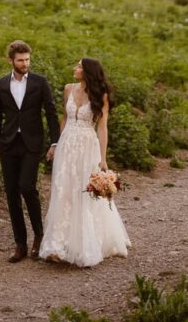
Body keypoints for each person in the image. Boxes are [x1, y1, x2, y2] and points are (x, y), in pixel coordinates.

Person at [39, 57, 131, 267]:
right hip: (67, 145)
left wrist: (103, 159)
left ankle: (83, 243)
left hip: (88, 147)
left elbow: (102, 127)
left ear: (88, 71)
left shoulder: (101, 95)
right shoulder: (68, 89)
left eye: (79, 66)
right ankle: (56, 244)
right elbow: (64, 118)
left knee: (84, 192)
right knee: (62, 189)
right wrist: (55, 145)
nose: (75, 68)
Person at [0, 40, 60, 262]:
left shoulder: (40, 82)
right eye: (20, 60)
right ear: (11, 61)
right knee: (11, 193)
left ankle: (39, 236)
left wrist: (54, 142)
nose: (25, 63)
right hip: (8, 144)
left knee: (27, 187)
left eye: (27, 59)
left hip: (32, 143)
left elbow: (50, 112)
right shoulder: (1, 84)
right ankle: (20, 243)